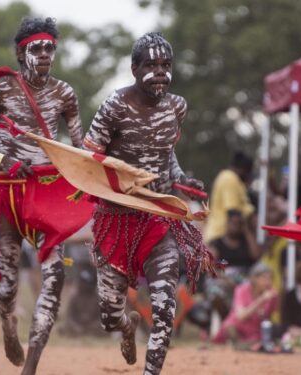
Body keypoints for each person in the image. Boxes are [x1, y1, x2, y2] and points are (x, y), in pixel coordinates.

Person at [0, 17, 82, 374]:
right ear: (22, 53)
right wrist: (1, 158)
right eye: (35, 48)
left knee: (55, 277)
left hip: (48, 194)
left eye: (49, 47)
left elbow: (82, 149)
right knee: (6, 288)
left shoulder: (65, 94)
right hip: (7, 196)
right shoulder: (1, 91)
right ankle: (8, 326)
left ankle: (32, 363)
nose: (43, 55)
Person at [83, 32, 211, 375]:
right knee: (110, 315)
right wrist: (119, 177)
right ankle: (127, 327)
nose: (160, 72)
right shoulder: (115, 105)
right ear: (134, 68)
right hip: (116, 219)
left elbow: (166, 154)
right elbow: (89, 157)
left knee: (165, 309)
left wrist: (182, 180)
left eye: (166, 65)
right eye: (151, 65)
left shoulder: (177, 107)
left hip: (158, 219)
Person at [212, 262, 278, 346]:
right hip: (237, 327)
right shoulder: (242, 290)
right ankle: (237, 344)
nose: (268, 282)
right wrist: (261, 300)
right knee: (230, 328)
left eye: (270, 278)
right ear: (254, 279)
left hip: (256, 331)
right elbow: (241, 316)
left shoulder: (272, 294)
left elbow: (269, 318)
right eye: (264, 278)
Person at [204, 152, 255, 243]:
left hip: (220, 236)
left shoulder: (227, 177)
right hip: (221, 238)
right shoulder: (230, 178)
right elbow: (233, 212)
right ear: (243, 170)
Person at [208, 209, 261, 275]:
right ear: (227, 223)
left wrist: (246, 230)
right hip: (223, 278)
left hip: (245, 278)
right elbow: (210, 267)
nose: (236, 227)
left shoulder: (246, 242)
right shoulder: (216, 243)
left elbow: (256, 256)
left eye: (239, 224)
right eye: (234, 223)